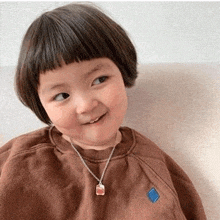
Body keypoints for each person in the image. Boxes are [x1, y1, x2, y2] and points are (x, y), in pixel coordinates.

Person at [0, 3, 206, 219]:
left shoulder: (151, 164)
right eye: (62, 96)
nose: (86, 105)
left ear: (122, 70)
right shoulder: (17, 161)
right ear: (41, 104)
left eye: (99, 80)